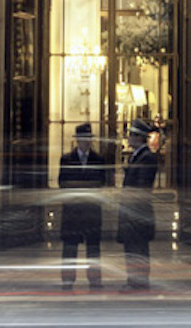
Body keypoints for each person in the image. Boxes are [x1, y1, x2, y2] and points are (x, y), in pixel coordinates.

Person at [58, 123, 106, 290]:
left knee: (93, 248)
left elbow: (102, 183)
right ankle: (68, 279)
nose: (85, 142)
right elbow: (62, 183)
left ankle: (94, 279)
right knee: (70, 248)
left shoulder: (98, 159)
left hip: (92, 211)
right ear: (77, 140)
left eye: (88, 139)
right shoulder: (66, 159)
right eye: (82, 139)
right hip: (73, 211)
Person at [116, 117, 158, 292]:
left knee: (138, 248)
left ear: (139, 137)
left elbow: (142, 187)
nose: (129, 138)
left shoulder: (146, 157)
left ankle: (139, 281)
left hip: (137, 212)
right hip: (132, 211)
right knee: (132, 247)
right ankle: (134, 280)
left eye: (132, 135)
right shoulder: (138, 157)